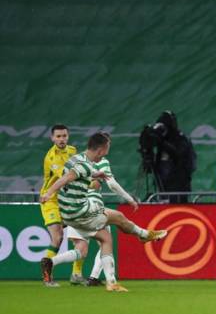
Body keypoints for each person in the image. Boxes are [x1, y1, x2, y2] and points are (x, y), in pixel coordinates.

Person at [39, 132, 167, 291]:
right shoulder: (85, 164)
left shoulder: (76, 158)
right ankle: (144, 235)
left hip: (68, 214)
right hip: (80, 211)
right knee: (119, 217)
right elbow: (65, 178)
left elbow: (77, 173)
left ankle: (52, 262)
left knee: (102, 239)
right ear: (100, 150)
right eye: (106, 150)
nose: (106, 154)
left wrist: (95, 174)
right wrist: (48, 193)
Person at [65, 145, 140, 287]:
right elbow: (110, 184)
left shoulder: (77, 162)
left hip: (75, 208)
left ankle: (57, 264)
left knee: (81, 248)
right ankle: (101, 279)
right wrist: (129, 198)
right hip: (92, 208)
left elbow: (65, 183)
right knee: (105, 241)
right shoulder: (102, 162)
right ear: (101, 149)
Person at [39, 124, 78, 287]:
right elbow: (67, 177)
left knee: (80, 235)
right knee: (58, 237)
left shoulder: (73, 151)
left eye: (64, 136)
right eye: (58, 136)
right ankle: (46, 274)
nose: (62, 139)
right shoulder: (51, 157)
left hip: (67, 199)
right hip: (50, 200)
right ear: (52, 138)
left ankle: (77, 274)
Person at [139, 110, 196, 203]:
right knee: (162, 203)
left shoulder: (181, 138)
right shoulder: (162, 140)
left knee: (177, 208)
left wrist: (161, 142)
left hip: (178, 183)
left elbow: (178, 155)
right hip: (162, 181)